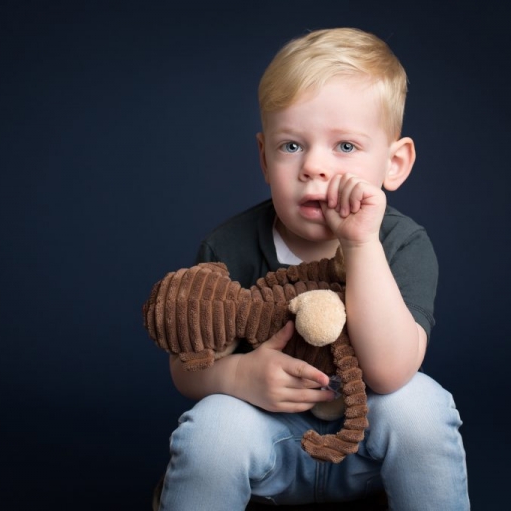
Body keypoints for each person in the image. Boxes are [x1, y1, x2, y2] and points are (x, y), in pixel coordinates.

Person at [157, 27, 470, 510]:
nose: (314, 167)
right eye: (292, 146)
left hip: (364, 445)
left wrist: (361, 242)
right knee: (213, 427)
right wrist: (238, 376)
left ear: (394, 163)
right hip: (270, 447)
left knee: (421, 406)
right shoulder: (230, 246)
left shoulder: (399, 242)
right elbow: (186, 369)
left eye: (345, 147)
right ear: (264, 158)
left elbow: (389, 373)